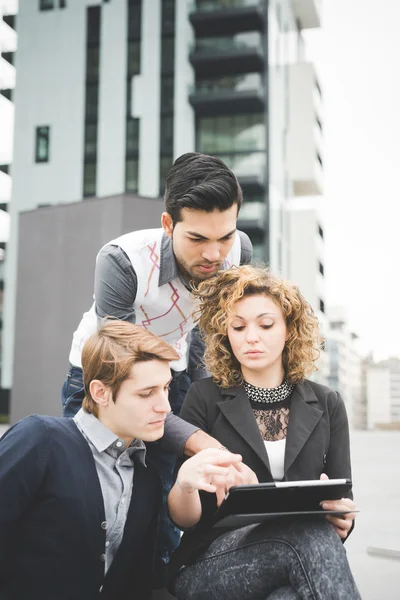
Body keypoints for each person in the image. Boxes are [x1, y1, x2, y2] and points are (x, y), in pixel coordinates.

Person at [61, 151, 253, 582]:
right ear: (168, 225)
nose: (216, 253)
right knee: (102, 490)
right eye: (198, 239)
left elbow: (209, 331)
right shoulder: (122, 260)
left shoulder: (236, 250)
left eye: (225, 236)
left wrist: (209, 411)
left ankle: (160, 583)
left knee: (171, 489)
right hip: (104, 373)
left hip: (175, 370)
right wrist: (197, 437)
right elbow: (123, 366)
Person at [0, 320, 243, 600]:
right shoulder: (40, 439)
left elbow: (134, 587)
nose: (165, 406)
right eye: (146, 393)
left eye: (166, 388)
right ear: (100, 393)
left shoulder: (147, 478)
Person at [167, 265, 361, 599]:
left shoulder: (328, 403)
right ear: (225, 334)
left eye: (266, 324)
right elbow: (183, 519)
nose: (251, 337)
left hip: (299, 555)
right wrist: (185, 482)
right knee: (306, 534)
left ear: (289, 329)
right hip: (211, 562)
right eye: (238, 327)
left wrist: (343, 521)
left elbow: (342, 501)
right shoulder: (203, 397)